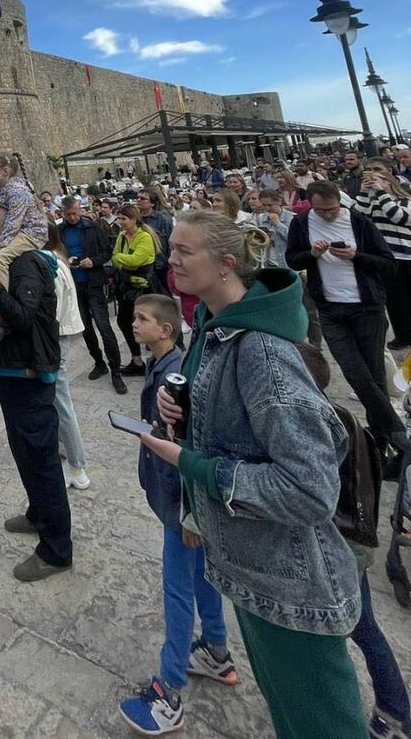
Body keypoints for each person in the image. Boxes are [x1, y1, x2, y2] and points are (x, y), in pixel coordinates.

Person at [143, 212, 364, 739]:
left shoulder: (261, 350)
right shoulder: (213, 329)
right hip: (250, 568)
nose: (169, 259)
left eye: (182, 251)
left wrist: (189, 464)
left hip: (290, 584)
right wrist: (185, 409)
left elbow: (309, 488)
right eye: (170, 248)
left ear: (225, 264)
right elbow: (237, 427)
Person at [118, 291, 235, 734]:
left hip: (180, 501)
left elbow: (190, 443)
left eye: (142, 319)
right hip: (176, 496)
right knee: (201, 574)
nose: (134, 324)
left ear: (165, 330)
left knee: (177, 590)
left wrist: (189, 514)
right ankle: (217, 650)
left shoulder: (176, 376)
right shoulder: (163, 364)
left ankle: (168, 691)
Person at [296, 341, 411, 739]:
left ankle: (394, 711)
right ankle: (395, 708)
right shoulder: (340, 417)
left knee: (357, 629)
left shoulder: (323, 427)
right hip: (351, 541)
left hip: (342, 545)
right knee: (362, 628)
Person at [0, 206, 72, 582]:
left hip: (29, 373)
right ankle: (38, 514)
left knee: (40, 456)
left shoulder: (26, 263)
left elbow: (24, 317)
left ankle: (56, 550)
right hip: (13, 371)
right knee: (23, 450)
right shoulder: (6, 262)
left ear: (10, 227)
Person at [285, 180, 402, 473]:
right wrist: (311, 254)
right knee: (354, 372)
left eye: (331, 209)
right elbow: (292, 258)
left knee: (374, 375)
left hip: (367, 307)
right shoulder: (302, 223)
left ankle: (384, 444)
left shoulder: (358, 221)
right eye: (320, 210)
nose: (326, 215)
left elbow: (388, 263)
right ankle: (399, 435)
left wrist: (355, 256)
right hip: (330, 309)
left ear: (340, 202)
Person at [58, 197, 125, 395]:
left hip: (93, 282)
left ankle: (115, 370)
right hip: (73, 285)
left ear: (80, 210)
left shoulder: (92, 227)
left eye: (75, 213)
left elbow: (107, 252)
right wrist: (65, 261)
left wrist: (93, 262)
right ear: (63, 213)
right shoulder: (59, 231)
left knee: (104, 327)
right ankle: (98, 361)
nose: (72, 217)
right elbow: (54, 254)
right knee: (85, 327)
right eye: (68, 214)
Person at [43, 223, 90, 490]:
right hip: (59, 335)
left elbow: (55, 310)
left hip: (56, 337)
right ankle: (64, 451)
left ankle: (76, 465)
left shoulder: (52, 264)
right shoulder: (56, 260)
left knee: (61, 400)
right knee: (56, 398)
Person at [352, 166, 411, 351]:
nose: (374, 183)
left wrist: (382, 194)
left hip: (407, 255)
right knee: (394, 300)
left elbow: (398, 218)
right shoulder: (373, 203)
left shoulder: (405, 200)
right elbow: (357, 217)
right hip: (387, 258)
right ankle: (403, 335)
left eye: (378, 180)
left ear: (390, 183)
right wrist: (363, 192)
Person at [0, 151, 48, 287]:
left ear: (5, 171)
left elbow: (13, 223)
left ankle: (3, 298)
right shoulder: (2, 188)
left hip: (32, 234)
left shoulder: (17, 192)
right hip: (21, 231)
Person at [112, 205, 158, 377]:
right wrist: (123, 260)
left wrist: (121, 260)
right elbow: (114, 256)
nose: (120, 222)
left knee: (147, 323)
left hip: (143, 289)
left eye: (123, 218)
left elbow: (136, 261)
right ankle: (137, 360)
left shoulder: (144, 237)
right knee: (124, 322)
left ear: (133, 219)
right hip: (127, 289)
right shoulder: (122, 236)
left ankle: (158, 359)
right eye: (119, 218)